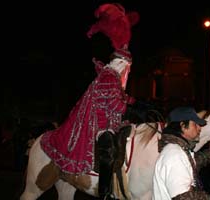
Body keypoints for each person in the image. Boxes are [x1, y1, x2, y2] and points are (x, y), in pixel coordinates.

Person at [41, 3, 139, 199]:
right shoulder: (108, 76)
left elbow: (120, 98)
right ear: (121, 63)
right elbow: (113, 103)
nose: (127, 70)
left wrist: (136, 102)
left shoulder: (113, 79)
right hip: (100, 125)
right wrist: (128, 106)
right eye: (127, 66)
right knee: (108, 147)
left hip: (114, 123)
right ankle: (104, 192)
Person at [152, 106, 210, 200]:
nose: (200, 128)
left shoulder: (179, 151)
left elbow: (192, 163)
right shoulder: (175, 155)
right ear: (183, 126)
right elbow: (184, 197)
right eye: (195, 124)